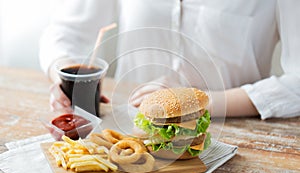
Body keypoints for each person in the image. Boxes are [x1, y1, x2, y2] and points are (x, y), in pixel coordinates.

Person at [40, 0, 300, 119]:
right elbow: (64, 33)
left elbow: (297, 83)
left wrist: (194, 102)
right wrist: (64, 77)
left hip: (234, 135)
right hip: (124, 128)